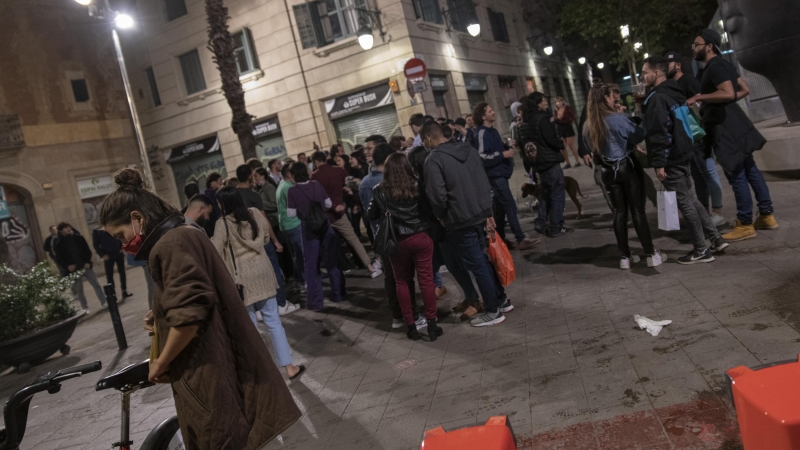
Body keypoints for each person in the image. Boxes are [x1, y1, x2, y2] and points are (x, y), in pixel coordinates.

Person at [99, 169, 301, 448]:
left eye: (121, 236)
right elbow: (195, 292)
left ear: (137, 218)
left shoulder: (170, 244)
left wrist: (160, 362)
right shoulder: (185, 231)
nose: (123, 245)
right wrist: (159, 313)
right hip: (218, 363)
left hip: (206, 370)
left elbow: (189, 316)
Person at [688, 29, 776, 242]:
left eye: (696, 44)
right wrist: (722, 101)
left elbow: (727, 92)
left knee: (736, 174)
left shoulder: (714, 67)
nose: (693, 48)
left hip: (725, 129)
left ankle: (745, 223)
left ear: (709, 46)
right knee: (751, 170)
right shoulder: (724, 63)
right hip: (736, 124)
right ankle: (767, 215)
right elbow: (743, 90)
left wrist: (700, 97)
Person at [422, 122, 513, 327]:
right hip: (478, 213)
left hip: (458, 218)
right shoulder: (469, 150)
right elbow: (483, 180)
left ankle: (493, 310)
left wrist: (441, 215)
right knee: (481, 260)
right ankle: (501, 300)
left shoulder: (434, 159)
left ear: (428, 139)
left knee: (477, 265)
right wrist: (487, 211)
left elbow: (437, 195)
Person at [641, 56, 728, 264]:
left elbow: (660, 132)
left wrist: (660, 162)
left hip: (671, 157)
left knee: (686, 203)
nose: (642, 76)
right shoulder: (674, 92)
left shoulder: (657, 98)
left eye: (644, 72)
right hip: (683, 152)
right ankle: (715, 239)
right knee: (691, 198)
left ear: (657, 73)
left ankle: (701, 250)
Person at [212, 187, 304, 374]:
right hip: (263, 274)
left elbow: (216, 251)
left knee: (250, 328)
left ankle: (262, 372)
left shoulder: (222, 224)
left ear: (222, 204)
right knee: (273, 322)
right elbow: (266, 237)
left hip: (242, 281)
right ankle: (289, 367)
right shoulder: (253, 213)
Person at [583, 84, 666, 269]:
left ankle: (624, 257)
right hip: (627, 167)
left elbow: (590, 147)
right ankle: (651, 253)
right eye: (612, 96)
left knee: (619, 213)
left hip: (607, 172)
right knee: (637, 211)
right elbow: (638, 136)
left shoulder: (588, 125)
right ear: (605, 98)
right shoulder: (617, 119)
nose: (614, 99)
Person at [368, 153, 444, 342]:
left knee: (402, 281)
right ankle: (432, 325)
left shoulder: (379, 190)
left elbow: (371, 215)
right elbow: (429, 210)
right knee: (426, 280)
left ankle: (411, 327)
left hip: (397, 240)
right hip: (421, 236)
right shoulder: (418, 184)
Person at [408, 145, 483, 310]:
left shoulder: (429, 180)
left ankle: (476, 300)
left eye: (412, 163)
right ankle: (470, 296)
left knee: (460, 264)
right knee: (453, 265)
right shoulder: (421, 181)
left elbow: (437, 203)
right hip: (440, 231)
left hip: (447, 227)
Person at [665, 50, 727, 227]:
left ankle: (717, 211)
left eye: (668, 64)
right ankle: (705, 212)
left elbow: (703, 103)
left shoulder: (688, 81)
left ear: (677, 65)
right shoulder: (671, 85)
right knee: (698, 177)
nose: (665, 67)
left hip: (699, 135)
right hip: (687, 138)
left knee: (709, 172)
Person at [473, 102, 540, 250]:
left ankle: (501, 240)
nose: (493, 113)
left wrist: (507, 146)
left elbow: (494, 149)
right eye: (490, 111)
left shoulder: (493, 131)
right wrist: (501, 154)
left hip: (501, 174)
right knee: (510, 206)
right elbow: (481, 157)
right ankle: (520, 238)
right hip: (495, 176)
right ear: (483, 116)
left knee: (500, 209)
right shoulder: (482, 132)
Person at [310, 151, 382, 277]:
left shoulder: (314, 177)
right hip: (339, 214)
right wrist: (354, 202)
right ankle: (370, 268)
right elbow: (351, 185)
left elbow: (316, 198)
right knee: (353, 240)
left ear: (315, 162)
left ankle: (337, 275)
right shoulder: (338, 171)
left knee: (329, 246)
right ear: (325, 160)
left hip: (324, 216)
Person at [287, 162, 346, 310]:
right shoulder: (316, 185)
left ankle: (315, 302)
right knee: (332, 261)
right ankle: (338, 294)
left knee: (312, 266)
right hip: (325, 226)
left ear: (293, 175)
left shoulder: (292, 191)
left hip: (309, 229)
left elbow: (291, 214)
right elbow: (327, 204)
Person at [520, 92, 572, 237]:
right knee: (557, 193)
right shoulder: (542, 119)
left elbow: (524, 144)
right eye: (543, 101)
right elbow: (550, 138)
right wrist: (560, 143)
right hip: (549, 161)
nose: (546, 103)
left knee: (546, 193)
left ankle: (541, 221)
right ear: (537, 103)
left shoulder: (525, 122)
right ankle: (556, 226)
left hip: (538, 163)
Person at [236, 164, 288, 308]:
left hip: (242, 241)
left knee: (253, 274)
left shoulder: (233, 196)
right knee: (273, 269)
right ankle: (281, 303)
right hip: (260, 238)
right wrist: (275, 240)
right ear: (248, 177)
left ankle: (259, 307)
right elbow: (263, 221)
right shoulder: (253, 196)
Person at [579, 78, 616, 215]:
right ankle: (619, 214)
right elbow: (582, 130)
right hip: (601, 157)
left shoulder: (613, 108)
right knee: (607, 186)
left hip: (617, 157)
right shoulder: (588, 110)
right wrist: (584, 151)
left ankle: (623, 214)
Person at [54, 222, 106, 312]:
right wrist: (67, 266)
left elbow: (87, 251)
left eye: (68, 226)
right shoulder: (59, 243)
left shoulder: (79, 238)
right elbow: (59, 258)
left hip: (85, 266)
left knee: (96, 284)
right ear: (61, 230)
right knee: (79, 290)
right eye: (65, 228)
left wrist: (87, 262)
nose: (68, 229)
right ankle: (84, 307)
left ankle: (103, 302)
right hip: (74, 270)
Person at [277, 163, 306, 301]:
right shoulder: (288, 187)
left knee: (296, 254)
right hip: (293, 224)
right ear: (289, 174)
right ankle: (303, 282)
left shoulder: (282, 185)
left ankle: (298, 281)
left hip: (286, 225)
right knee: (301, 254)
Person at [92, 227, 133, 298]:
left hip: (118, 252)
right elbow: (96, 244)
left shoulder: (112, 225)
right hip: (107, 255)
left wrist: (121, 247)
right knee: (109, 275)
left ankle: (124, 290)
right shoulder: (97, 231)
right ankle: (112, 294)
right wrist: (102, 255)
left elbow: (120, 236)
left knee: (122, 272)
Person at [554, 97, 581, 168]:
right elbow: (555, 119)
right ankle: (567, 163)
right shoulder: (556, 111)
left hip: (567, 128)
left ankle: (577, 161)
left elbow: (572, 117)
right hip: (560, 129)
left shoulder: (567, 108)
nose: (558, 103)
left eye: (560, 101)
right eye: (557, 102)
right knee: (562, 147)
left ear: (563, 101)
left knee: (570, 145)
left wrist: (569, 123)